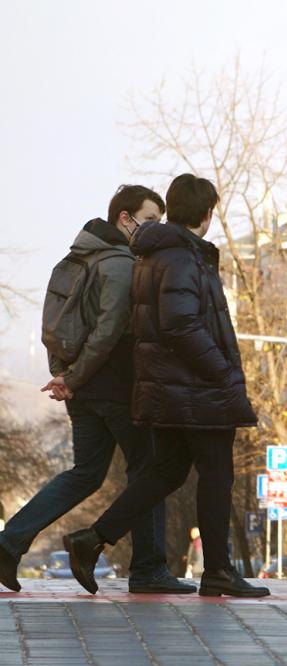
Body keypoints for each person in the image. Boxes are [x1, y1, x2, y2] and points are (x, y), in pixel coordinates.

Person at [64, 174, 268, 598]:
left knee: (166, 472)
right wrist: (222, 372)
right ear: (206, 213)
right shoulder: (182, 257)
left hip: (172, 389)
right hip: (196, 389)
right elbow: (180, 324)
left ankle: (92, 539)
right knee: (216, 474)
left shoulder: (158, 254)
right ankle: (218, 570)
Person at [0, 186, 191, 595]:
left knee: (85, 474)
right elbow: (108, 332)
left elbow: (53, 325)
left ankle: (8, 542)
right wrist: (71, 379)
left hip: (84, 388)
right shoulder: (120, 263)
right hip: (115, 385)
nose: (154, 228)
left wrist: (65, 375)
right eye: (150, 219)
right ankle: (148, 569)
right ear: (125, 218)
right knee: (150, 470)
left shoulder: (74, 259)